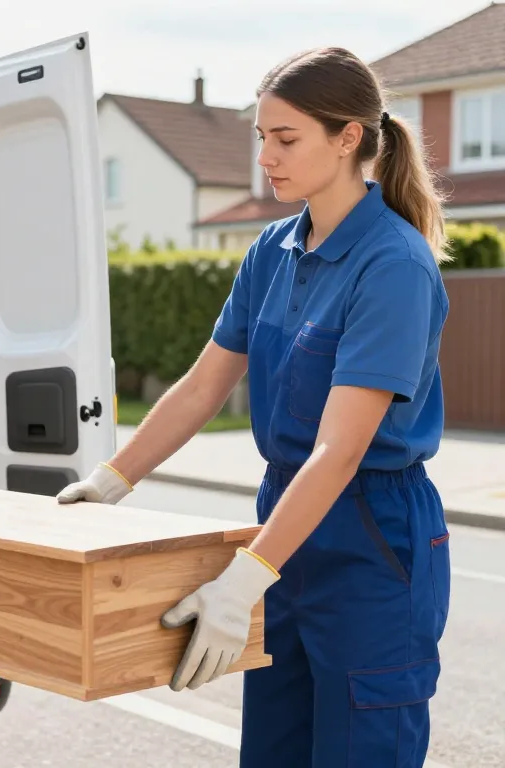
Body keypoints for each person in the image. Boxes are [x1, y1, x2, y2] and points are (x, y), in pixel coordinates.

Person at [58, 47, 452, 767]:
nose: (266, 157)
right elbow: (205, 385)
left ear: (349, 138)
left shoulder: (393, 264)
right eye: (260, 138)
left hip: (371, 539)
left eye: (286, 138)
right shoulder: (274, 248)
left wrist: (244, 577)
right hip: (284, 525)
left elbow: (339, 452)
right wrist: (113, 479)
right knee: (272, 750)